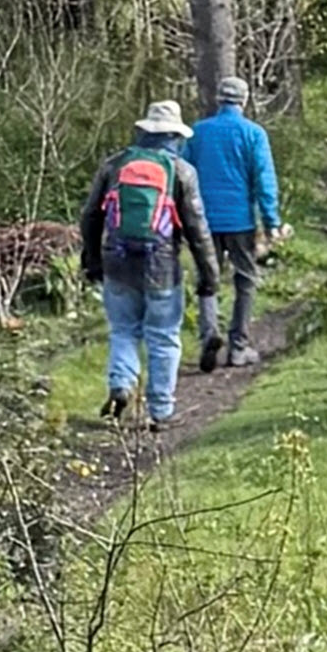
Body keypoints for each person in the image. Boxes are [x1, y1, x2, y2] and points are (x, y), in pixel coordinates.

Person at [79, 99, 219, 430]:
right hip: (162, 265)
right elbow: (198, 229)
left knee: (124, 330)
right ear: (176, 136)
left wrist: (92, 259)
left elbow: (89, 215)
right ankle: (160, 412)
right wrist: (209, 275)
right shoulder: (182, 172)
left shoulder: (114, 165)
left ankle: (121, 385)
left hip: (117, 261)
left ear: (145, 131)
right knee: (163, 335)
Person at [184, 75, 290, 371]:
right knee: (245, 280)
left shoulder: (197, 133)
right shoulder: (254, 134)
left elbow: (183, 176)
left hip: (203, 220)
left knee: (208, 279)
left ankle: (208, 334)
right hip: (240, 220)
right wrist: (271, 222)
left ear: (219, 99)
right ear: (244, 101)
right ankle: (238, 347)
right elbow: (264, 181)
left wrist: (182, 219)